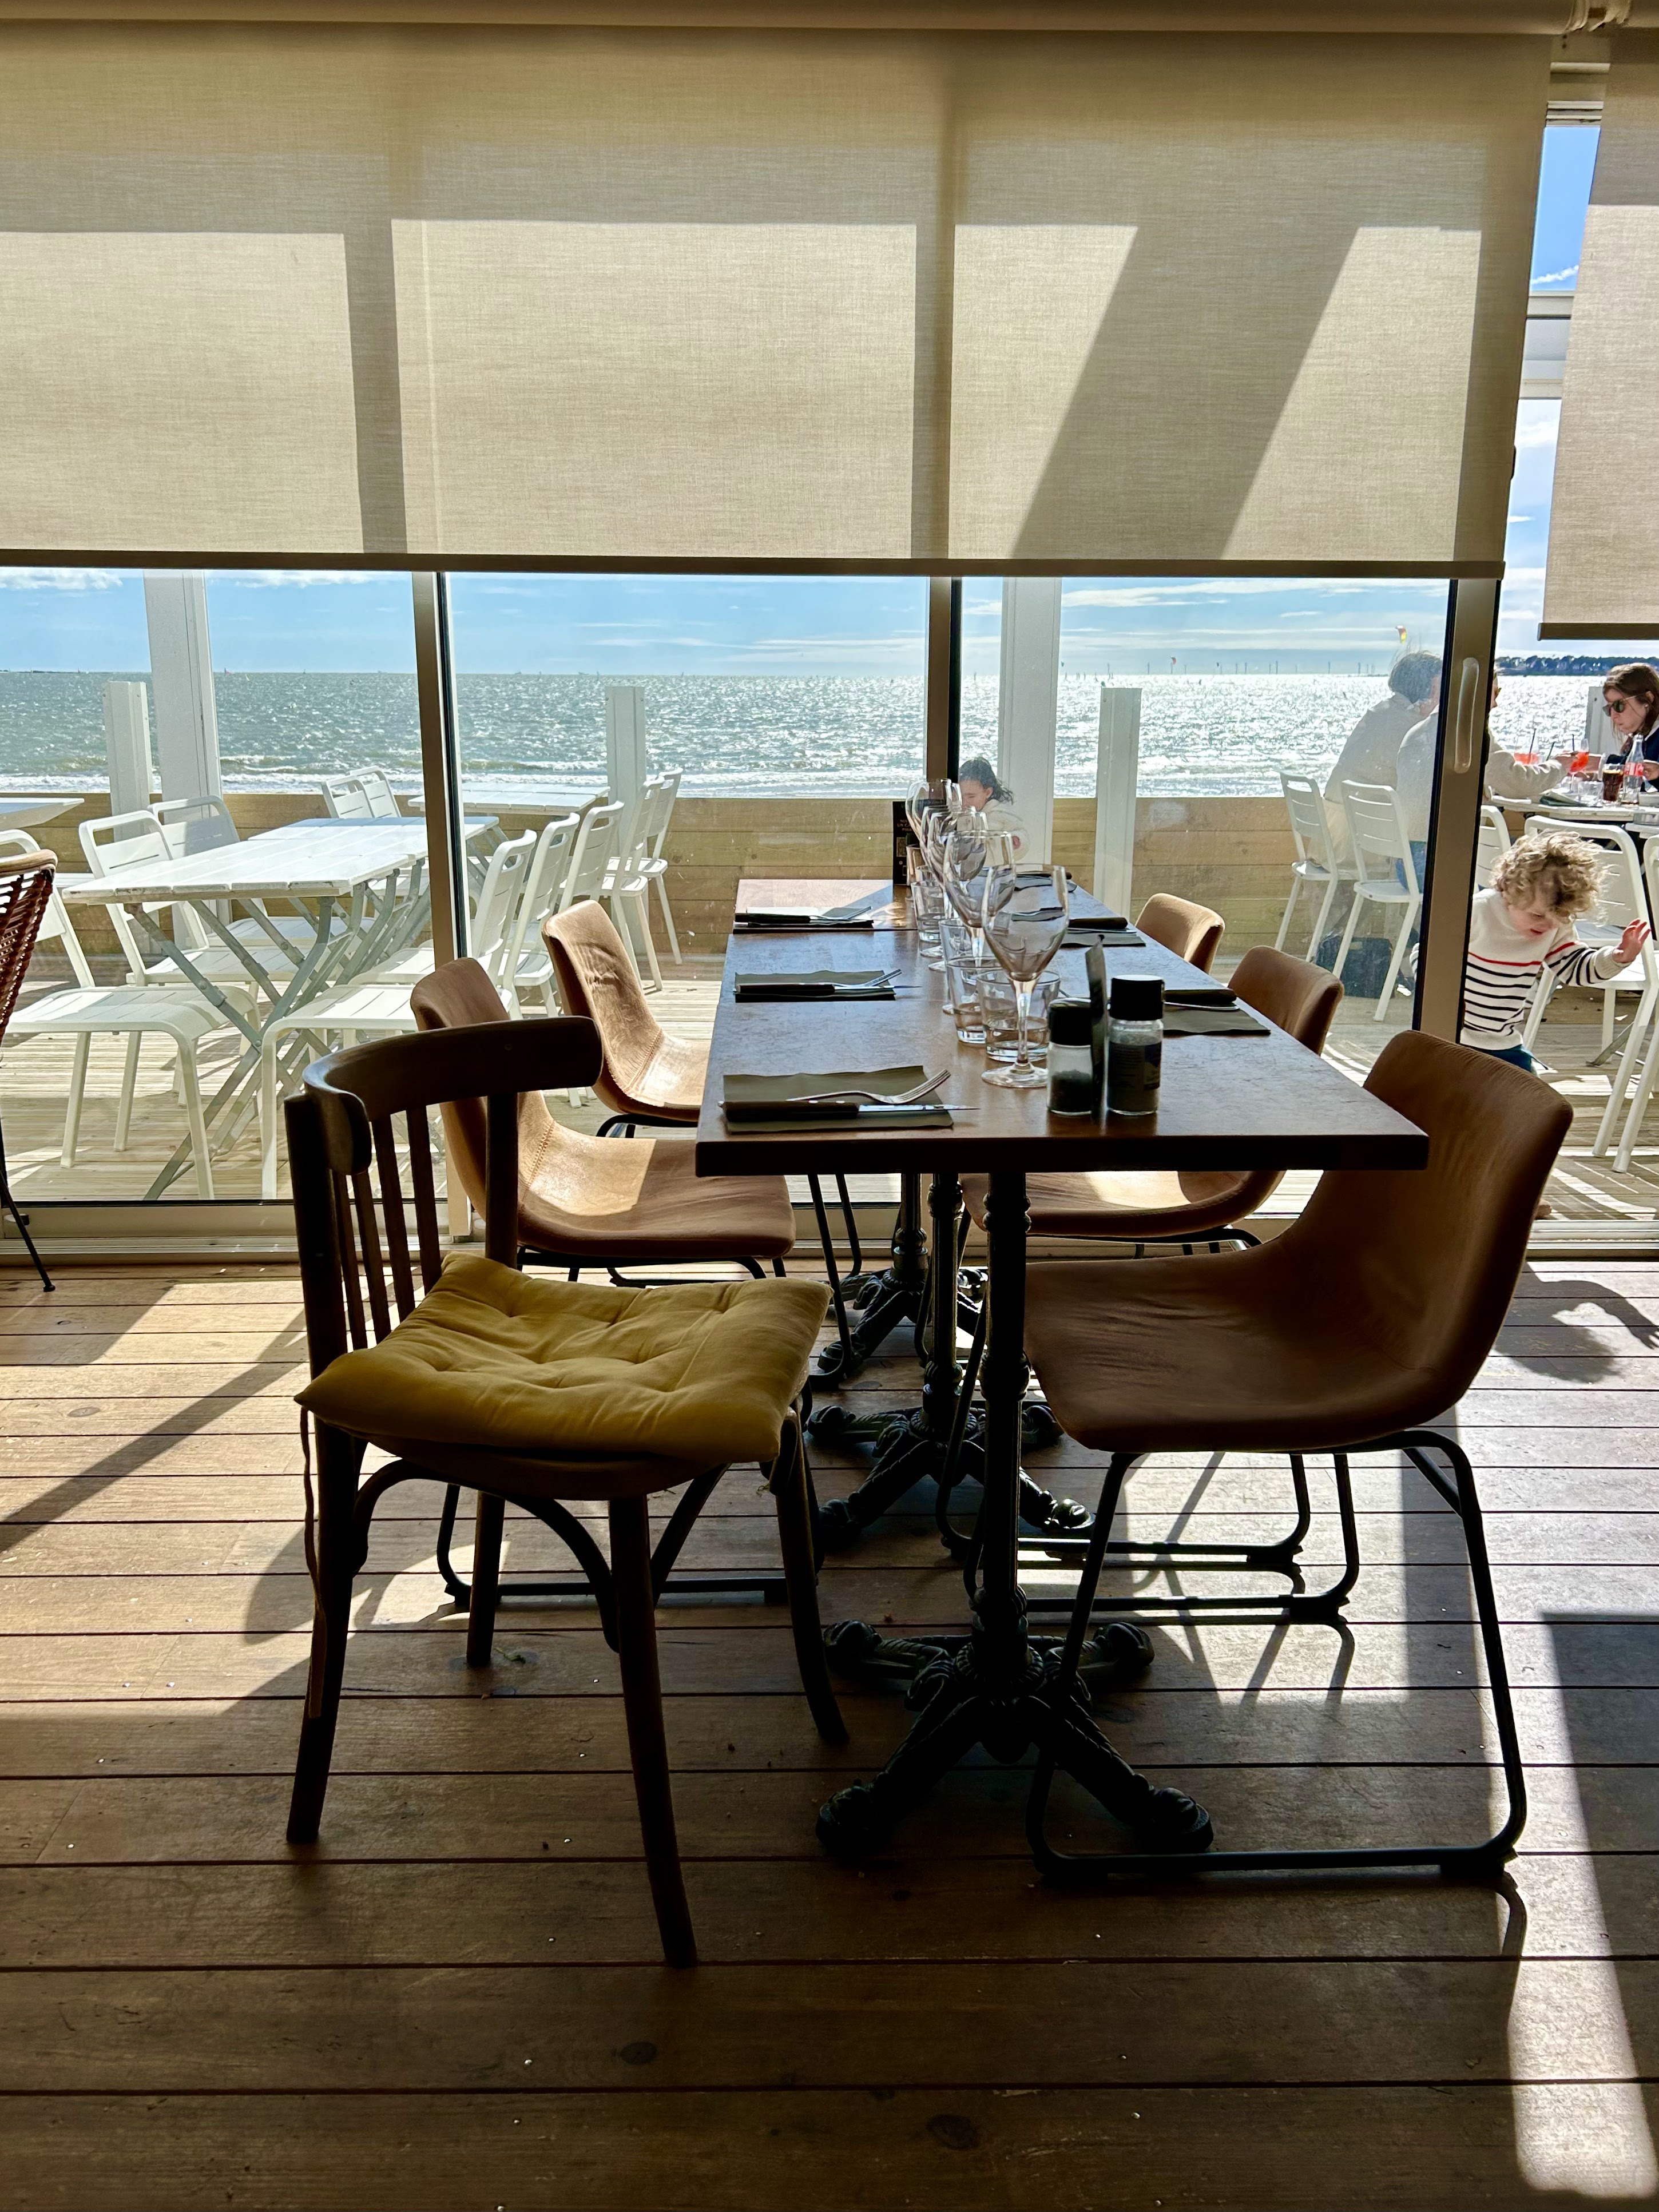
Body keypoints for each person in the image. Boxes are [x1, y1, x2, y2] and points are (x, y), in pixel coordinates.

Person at [1461, 829, 1649, 1071]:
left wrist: (1617, 958)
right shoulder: (1478, 911)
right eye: (1537, 915)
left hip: (1502, 1041)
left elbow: (1575, 969)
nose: (1548, 925)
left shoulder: (1554, 926)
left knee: (1530, 1092)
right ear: (1507, 891)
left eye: (1560, 916)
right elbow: (1425, 954)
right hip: (1452, 1034)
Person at [1395, 673, 1574, 876]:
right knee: (1545, 864)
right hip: (1438, 867)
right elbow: (1518, 782)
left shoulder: (1419, 732)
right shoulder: (1468, 734)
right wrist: (1560, 766)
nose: (1496, 704)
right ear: (1477, 690)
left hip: (1407, 864)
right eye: (1495, 693)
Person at [1323, 651, 1440, 861]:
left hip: (1334, 843)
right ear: (1426, 690)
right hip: (1366, 850)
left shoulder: (1379, 713)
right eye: (1441, 688)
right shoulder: (1415, 729)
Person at [956, 756, 1031, 859]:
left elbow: (1021, 832)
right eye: (961, 796)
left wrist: (1016, 840)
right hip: (968, 865)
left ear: (988, 793)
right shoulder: (958, 815)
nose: (965, 802)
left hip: (995, 866)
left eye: (971, 796)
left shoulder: (1000, 813)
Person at [1602, 662, 1659, 781]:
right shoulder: (1639, 738)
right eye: (1609, 709)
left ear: (1648, 699)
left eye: (1619, 706)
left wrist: (1601, 764)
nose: (1613, 716)